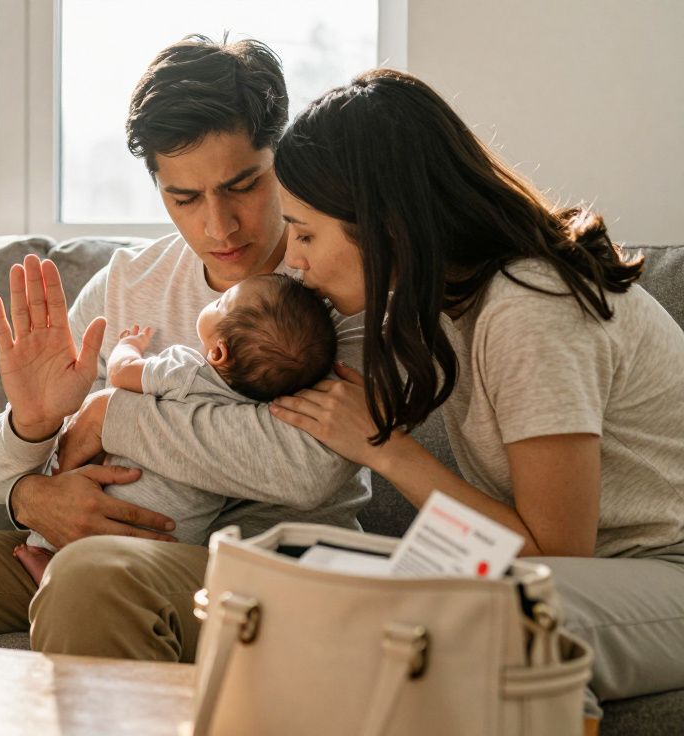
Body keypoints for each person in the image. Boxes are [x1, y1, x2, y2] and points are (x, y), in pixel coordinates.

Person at [0, 35, 367, 663]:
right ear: (158, 187)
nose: (218, 225)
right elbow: (0, 475)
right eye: (185, 198)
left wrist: (110, 415)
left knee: (92, 579)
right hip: (74, 553)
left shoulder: (335, 282)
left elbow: (307, 469)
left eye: (243, 185)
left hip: (255, 572)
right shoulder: (128, 283)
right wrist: (31, 444)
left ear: (280, 160)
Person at [262, 68, 684, 724]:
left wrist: (386, 449)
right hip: (595, 575)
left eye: (307, 233)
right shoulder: (445, 303)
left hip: (666, 570)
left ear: (387, 224)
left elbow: (553, 554)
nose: (293, 259)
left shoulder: (528, 303)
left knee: (491, 622)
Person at [13, 273, 337, 583]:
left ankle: (47, 556)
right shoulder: (257, 411)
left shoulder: (187, 369)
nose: (215, 300)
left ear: (218, 351)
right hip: (180, 535)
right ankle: (67, 579)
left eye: (222, 302)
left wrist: (130, 345)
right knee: (127, 569)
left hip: (127, 499)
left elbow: (121, 373)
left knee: (73, 495)